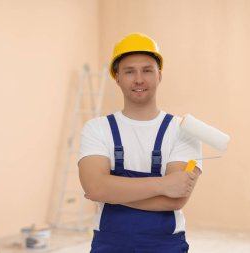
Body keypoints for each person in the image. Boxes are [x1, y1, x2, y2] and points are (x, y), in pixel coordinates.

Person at [78, 33, 202, 253]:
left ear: (159, 75)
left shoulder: (184, 131)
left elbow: (175, 201)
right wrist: (164, 184)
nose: (138, 79)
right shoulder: (97, 128)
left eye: (147, 70)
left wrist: (110, 190)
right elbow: (96, 187)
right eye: (129, 71)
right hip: (108, 246)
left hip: (166, 246)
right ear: (117, 77)